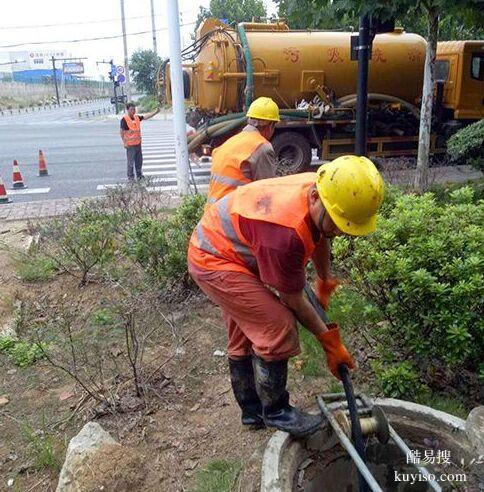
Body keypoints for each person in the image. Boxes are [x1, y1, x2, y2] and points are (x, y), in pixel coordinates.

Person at [187, 155, 384, 438]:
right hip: (213, 258)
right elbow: (292, 298)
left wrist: (324, 278)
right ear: (316, 198)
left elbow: (319, 235)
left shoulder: (322, 190)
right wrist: (329, 341)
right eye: (339, 224)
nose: (341, 232)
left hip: (233, 247)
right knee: (276, 326)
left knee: (245, 329)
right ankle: (276, 411)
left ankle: (252, 412)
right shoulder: (285, 232)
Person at [206, 96, 279, 207]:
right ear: (270, 126)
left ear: (249, 120)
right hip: (231, 218)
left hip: (212, 216)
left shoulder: (232, 142)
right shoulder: (262, 147)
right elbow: (267, 194)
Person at [120, 102, 160, 181]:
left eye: (134, 109)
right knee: (130, 162)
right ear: (127, 110)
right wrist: (124, 142)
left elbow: (145, 117)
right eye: (131, 109)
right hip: (130, 145)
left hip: (138, 144)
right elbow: (122, 132)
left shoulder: (136, 118)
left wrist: (155, 112)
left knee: (139, 161)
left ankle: (139, 175)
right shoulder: (124, 119)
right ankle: (130, 177)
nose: (133, 111)